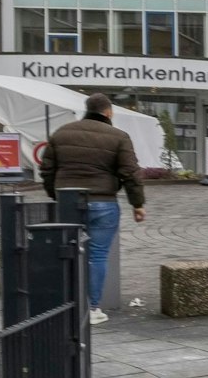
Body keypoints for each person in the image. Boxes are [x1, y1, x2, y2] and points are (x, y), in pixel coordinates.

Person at [40, 93, 145, 325]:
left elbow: (47, 170)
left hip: (68, 201)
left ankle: (65, 306)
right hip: (103, 203)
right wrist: (137, 204)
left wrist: (56, 195)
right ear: (108, 112)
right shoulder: (119, 136)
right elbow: (130, 173)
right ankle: (92, 309)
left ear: (87, 109)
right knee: (97, 255)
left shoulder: (61, 133)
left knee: (67, 252)